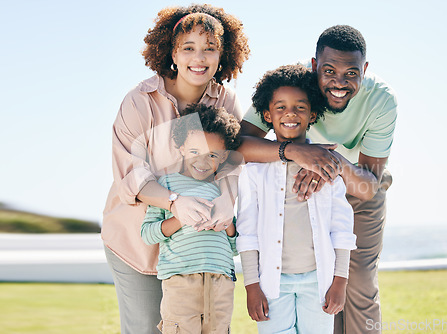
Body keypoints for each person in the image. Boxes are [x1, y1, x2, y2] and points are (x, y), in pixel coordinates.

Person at [101, 4, 250, 334]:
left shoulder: (227, 102)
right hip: (136, 243)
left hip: (195, 249)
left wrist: (226, 201)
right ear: (172, 52)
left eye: (210, 48)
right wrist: (173, 202)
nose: (199, 58)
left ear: (223, 54)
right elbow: (131, 174)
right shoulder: (139, 102)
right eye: (189, 48)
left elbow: (233, 165)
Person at [239, 25, 397, 334]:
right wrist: (296, 152)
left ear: (364, 70)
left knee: (359, 282)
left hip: (358, 181)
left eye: (351, 73)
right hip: (296, 180)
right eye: (328, 71)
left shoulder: (381, 100)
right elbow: (242, 144)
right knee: (322, 294)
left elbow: (367, 188)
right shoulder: (292, 88)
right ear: (314, 66)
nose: (339, 83)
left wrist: (327, 162)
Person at [236, 64, 357, 333]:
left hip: (319, 282)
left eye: (300, 107)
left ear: (313, 113)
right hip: (271, 285)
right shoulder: (254, 171)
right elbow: (247, 232)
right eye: (280, 107)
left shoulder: (326, 166)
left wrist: (340, 280)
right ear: (267, 114)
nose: (290, 113)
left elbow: (341, 227)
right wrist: (252, 286)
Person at [141, 104, 241, 333]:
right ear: (183, 148)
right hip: (181, 281)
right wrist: (179, 217)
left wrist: (227, 225)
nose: (202, 162)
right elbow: (147, 234)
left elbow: (234, 247)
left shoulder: (221, 191)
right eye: (195, 152)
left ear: (224, 156)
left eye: (212, 155)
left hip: (221, 282)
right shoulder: (166, 185)